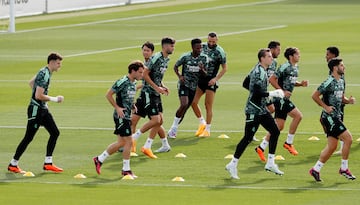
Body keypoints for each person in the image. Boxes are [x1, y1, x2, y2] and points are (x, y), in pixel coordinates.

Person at [225, 48, 285, 179]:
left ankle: (270, 162)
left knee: (275, 131)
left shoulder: (261, 69)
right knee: (247, 138)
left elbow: (246, 83)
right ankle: (232, 164)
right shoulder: (259, 72)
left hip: (261, 109)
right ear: (262, 58)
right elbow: (256, 93)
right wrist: (271, 94)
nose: (271, 58)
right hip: (253, 110)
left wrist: (258, 94)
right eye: (269, 56)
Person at [8, 52, 64, 173]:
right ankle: (13, 164)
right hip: (36, 110)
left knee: (55, 132)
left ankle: (48, 163)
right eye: (58, 63)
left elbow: (31, 83)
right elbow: (39, 95)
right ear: (52, 62)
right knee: (28, 137)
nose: (60, 66)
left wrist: (44, 103)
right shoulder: (45, 74)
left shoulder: (44, 71)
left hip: (42, 109)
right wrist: (55, 99)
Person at [254, 47, 308, 161]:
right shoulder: (285, 66)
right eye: (297, 54)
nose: (299, 56)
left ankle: (261, 147)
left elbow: (291, 82)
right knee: (298, 116)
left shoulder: (295, 67)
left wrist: (300, 84)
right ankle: (289, 142)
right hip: (281, 99)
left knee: (278, 127)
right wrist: (281, 91)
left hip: (284, 99)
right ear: (291, 56)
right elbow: (272, 79)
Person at [93, 60, 145, 178]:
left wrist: (132, 106)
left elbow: (127, 97)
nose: (142, 75)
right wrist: (117, 108)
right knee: (129, 141)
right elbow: (108, 94)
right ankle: (126, 170)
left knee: (121, 142)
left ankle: (99, 159)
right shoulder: (123, 81)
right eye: (140, 72)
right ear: (133, 71)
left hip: (127, 115)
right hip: (121, 116)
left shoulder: (133, 83)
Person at [309, 58, 356, 182]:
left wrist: (348, 101)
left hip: (336, 116)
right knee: (348, 138)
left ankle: (316, 169)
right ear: (335, 68)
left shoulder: (340, 81)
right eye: (341, 65)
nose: (344, 67)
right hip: (329, 118)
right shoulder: (329, 81)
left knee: (332, 147)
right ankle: (344, 168)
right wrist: (326, 107)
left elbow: (340, 98)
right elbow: (314, 95)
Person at [131, 37, 176, 158]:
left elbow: (157, 76)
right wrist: (157, 88)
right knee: (155, 120)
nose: (173, 48)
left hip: (155, 93)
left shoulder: (166, 59)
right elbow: (145, 75)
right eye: (171, 46)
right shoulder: (156, 58)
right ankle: (136, 139)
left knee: (159, 121)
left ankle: (162, 145)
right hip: (148, 93)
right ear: (165, 46)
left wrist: (162, 86)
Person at [167, 38, 208, 138]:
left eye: (201, 48)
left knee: (184, 109)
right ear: (193, 47)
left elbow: (205, 75)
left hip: (194, 87)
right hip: (184, 84)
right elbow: (175, 67)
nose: (199, 50)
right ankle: (174, 128)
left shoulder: (204, 58)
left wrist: (202, 70)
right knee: (184, 104)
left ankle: (173, 129)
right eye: (197, 48)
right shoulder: (185, 57)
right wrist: (180, 76)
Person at [192, 32, 227, 137]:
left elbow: (224, 68)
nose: (211, 43)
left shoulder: (220, 52)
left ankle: (207, 129)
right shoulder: (202, 47)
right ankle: (202, 122)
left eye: (213, 41)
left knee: (208, 105)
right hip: (201, 79)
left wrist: (215, 79)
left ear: (217, 40)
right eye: (210, 41)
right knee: (193, 102)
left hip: (211, 80)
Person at [326, 46, 345, 155]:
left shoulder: (338, 71)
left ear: (333, 55)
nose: (326, 57)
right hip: (332, 103)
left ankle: (340, 147)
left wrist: (343, 99)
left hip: (336, 103)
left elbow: (342, 86)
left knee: (338, 122)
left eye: (328, 54)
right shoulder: (333, 72)